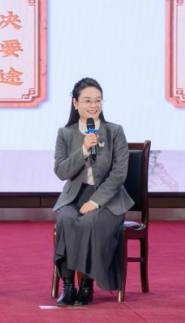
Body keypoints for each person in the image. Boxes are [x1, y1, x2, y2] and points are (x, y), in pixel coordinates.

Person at [52, 77, 132, 306]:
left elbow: (119, 173)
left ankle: (87, 285)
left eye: (98, 100)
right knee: (66, 219)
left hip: (108, 200)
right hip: (75, 197)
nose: (93, 105)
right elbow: (61, 171)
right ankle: (68, 285)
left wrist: (96, 201)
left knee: (89, 222)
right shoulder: (65, 133)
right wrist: (84, 149)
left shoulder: (114, 131)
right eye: (87, 100)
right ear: (75, 103)